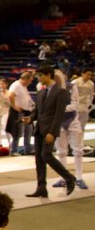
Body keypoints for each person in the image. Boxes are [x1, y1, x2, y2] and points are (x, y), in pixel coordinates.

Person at [26, 65, 75, 198]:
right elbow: (37, 112)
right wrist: (30, 118)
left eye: (40, 76)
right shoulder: (41, 93)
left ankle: (69, 178)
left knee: (46, 155)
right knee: (39, 160)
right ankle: (41, 188)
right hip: (39, 130)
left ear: (48, 75)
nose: (38, 79)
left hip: (49, 130)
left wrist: (52, 132)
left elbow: (59, 115)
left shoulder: (61, 92)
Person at [54, 70, 87, 191]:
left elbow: (74, 106)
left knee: (78, 151)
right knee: (61, 152)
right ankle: (63, 178)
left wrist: (57, 108)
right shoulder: (50, 88)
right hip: (58, 122)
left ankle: (79, 178)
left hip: (73, 121)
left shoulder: (72, 87)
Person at [6, 70, 35, 155]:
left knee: (28, 130)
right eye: (30, 81)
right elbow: (10, 96)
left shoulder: (23, 86)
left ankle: (27, 148)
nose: (30, 83)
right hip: (19, 111)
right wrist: (15, 106)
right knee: (18, 131)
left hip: (26, 111)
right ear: (25, 79)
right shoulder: (16, 85)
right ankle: (14, 150)